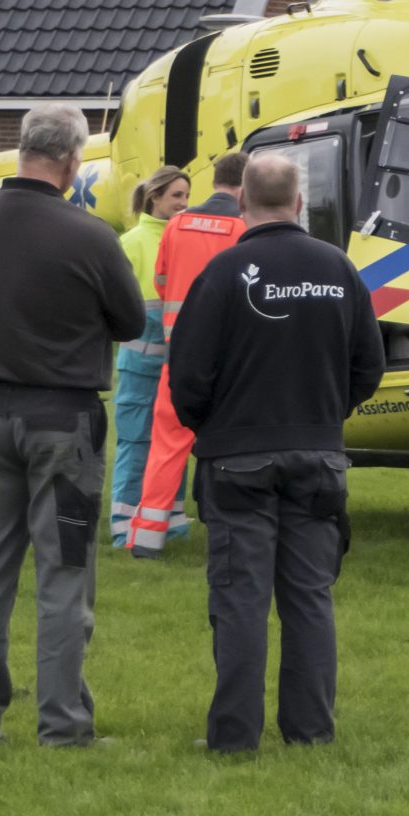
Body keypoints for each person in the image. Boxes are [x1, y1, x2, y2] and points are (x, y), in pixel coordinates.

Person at [166, 155, 385, 752]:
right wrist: (324, 413)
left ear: (241, 203)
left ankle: (235, 736)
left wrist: (215, 423)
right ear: (299, 203)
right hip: (317, 456)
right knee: (309, 598)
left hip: (237, 458)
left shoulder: (224, 272)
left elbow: (185, 376)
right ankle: (310, 731)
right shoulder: (339, 270)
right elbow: (370, 367)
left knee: (240, 601)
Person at [0, 104, 144, 748]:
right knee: (62, 576)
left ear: (22, 147)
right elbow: (132, 322)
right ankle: (62, 726)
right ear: (72, 159)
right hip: (64, 420)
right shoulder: (90, 236)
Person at [125, 151, 248, 559]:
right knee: (234, 448)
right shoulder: (244, 229)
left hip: (179, 359)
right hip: (231, 362)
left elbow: (161, 282)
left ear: (214, 181)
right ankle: (231, 533)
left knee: (165, 447)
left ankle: (144, 540)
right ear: (244, 185)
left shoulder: (177, 225)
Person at [111, 165, 192, 546]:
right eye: (177, 195)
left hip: (177, 367)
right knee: (136, 443)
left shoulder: (185, 239)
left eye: (186, 196)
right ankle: (124, 526)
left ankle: (170, 523)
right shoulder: (131, 242)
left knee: (176, 445)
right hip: (140, 368)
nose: (184, 204)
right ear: (154, 197)